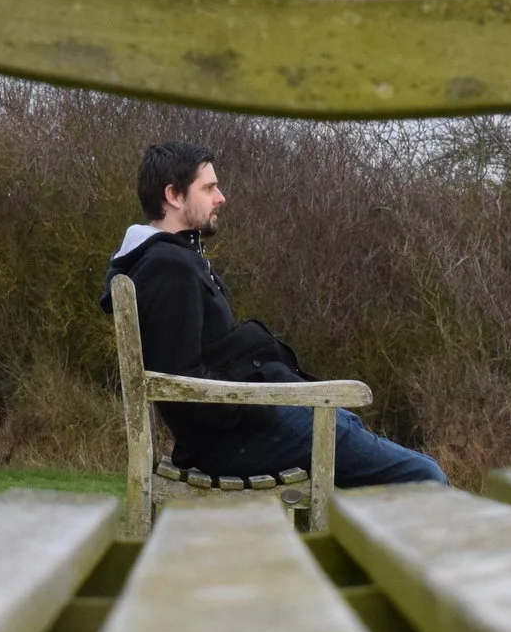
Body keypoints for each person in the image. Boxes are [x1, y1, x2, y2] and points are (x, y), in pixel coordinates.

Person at [100, 139, 445, 487]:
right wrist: (265, 401)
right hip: (234, 441)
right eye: (208, 188)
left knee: (354, 428)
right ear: (174, 195)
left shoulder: (173, 260)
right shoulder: (168, 267)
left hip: (243, 429)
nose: (221, 197)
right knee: (425, 476)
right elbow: (183, 386)